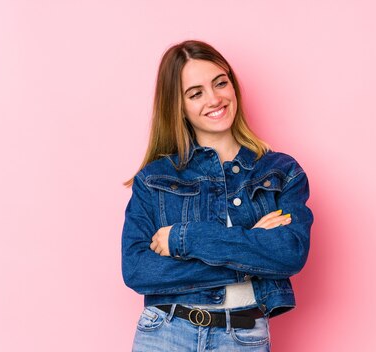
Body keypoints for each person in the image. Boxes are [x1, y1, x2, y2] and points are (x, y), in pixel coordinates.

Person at [121, 40, 313, 351]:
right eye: (195, 93)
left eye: (220, 83)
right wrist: (250, 251)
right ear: (178, 106)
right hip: (165, 333)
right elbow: (138, 270)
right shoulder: (155, 179)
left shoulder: (280, 172)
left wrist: (185, 240)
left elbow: (289, 253)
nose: (214, 99)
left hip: (242, 336)